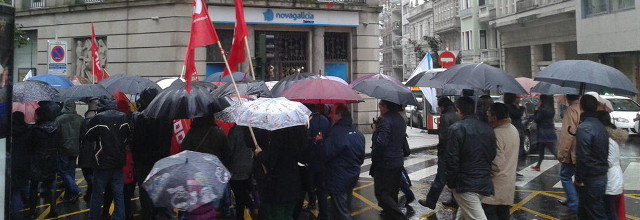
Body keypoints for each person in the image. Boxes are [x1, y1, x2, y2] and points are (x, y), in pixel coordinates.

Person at [444, 97, 496, 220]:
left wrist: (451, 183)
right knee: (463, 214)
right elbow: (492, 154)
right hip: (483, 182)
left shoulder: (456, 129)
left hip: (465, 185)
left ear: (459, 111)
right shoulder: (488, 128)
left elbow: (451, 160)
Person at [315, 104, 365, 220]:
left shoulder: (336, 132)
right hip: (352, 175)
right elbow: (361, 158)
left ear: (339, 115)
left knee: (341, 211)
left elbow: (326, 153)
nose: (331, 115)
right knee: (345, 206)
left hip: (338, 177)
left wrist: (320, 142)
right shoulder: (357, 134)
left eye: (333, 113)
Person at [85, 97, 131, 220]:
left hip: (102, 162)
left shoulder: (98, 118)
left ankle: (94, 217)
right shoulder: (124, 117)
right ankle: (120, 217)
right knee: (118, 193)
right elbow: (129, 135)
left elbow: (88, 136)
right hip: (118, 161)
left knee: (97, 194)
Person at [131, 87, 173, 219]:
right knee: (160, 190)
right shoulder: (166, 117)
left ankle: (149, 214)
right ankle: (162, 214)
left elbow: (136, 143)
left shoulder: (142, 118)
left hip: (145, 162)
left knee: (146, 192)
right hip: (161, 160)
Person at [255, 125, 306, 219]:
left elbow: (271, 162)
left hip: (279, 184)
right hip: (294, 181)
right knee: (289, 214)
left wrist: (260, 154)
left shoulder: (279, 134)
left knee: (277, 214)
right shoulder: (300, 132)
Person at [370, 100, 408, 220]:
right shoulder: (400, 119)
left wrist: (375, 132)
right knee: (392, 193)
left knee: (381, 193)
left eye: (380, 105)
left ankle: (400, 217)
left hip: (385, 163)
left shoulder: (385, 120)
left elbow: (381, 143)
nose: (379, 108)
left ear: (385, 106)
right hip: (397, 161)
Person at [420, 97, 459, 209]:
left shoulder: (445, 116)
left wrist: (440, 151)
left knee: (440, 178)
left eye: (440, 106)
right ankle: (455, 200)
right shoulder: (457, 114)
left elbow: (443, 137)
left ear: (443, 106)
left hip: (446, 152)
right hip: (457, 152)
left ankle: (430, 202)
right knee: (455, 177)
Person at [482, 103, 519, 220]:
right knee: (504, 215)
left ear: (494, 117)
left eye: (488, 114)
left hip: (495, 187)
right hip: (507, 185)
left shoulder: (497, 133)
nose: (487, 117)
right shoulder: (513, 129)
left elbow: (496, 164)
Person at [575, 95, 609, 220]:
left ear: (581, 107)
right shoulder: (599, 125)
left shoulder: (585, 128)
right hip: (600, 175)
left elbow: (582, 157)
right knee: (586, 212)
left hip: (591, 178)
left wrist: (578, 178)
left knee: (596, 214)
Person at [25, 107, 62, 218]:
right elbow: (59, 142)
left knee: (34, 187)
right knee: (51, 186)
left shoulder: (35, 129)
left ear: (40, 116)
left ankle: (32, 211)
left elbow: (29, 145)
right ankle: (53, 209)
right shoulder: (56, 128)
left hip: (37, 160)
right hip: (52, 159)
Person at [299, 104, 331, 219]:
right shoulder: (326, 120)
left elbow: (304, 142)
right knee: (321, 189)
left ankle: (307, 206)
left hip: (310, 160)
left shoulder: (308, 121)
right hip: (322, 159)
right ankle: (323, 214)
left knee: (306, 186)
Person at [595, 111, 627, 220]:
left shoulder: (609, 141)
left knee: (610, 211)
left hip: (611, 181)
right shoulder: (609, 138)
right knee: (610, 210)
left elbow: (608, 162)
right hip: (612, 179)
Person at [54, 99, 84, 203]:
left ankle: (74, 190)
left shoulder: (59, 119)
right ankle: (69, 195)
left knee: (63, 171)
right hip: (75, 148)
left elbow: (55, 134)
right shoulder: (80, 118)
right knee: (71, 172)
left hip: (63, 148)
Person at [226, 125, 258, 220]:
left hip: (235, 168)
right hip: (249, 167)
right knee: (241, 196)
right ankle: (243, 214)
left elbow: (229, 150)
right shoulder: (252, 129)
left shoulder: (235, 131)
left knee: (240, 194)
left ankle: (252, 208)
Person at [557, 94, 581, 214]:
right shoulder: (583, 107)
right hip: (582, 150)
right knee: (577, 177)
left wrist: (563, 153)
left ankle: (573, 202)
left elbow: (568, 135)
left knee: (565, 176)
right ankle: (573, 199)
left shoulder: (571, 110)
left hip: (573, 150)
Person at [10, 112, 30, 219]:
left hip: (11, 162)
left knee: (13, 191)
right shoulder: (28, 130)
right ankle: (18, 212)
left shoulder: (9, 130)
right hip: (24, 162)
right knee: (18, 190)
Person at [532, 95, 558, 171]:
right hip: (550, 130)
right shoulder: (551, 108)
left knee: (553, 150)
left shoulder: (542, 109)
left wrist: (536, 111)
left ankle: (564, 163)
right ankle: (538, 165)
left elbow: (537, 119)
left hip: (543, 132)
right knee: (541, 149)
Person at [79, 110, 97, 203]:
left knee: (88, 175)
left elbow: (81, 137)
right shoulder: (98, 123)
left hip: (85, 152)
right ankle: (91, 193)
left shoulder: (83, 124)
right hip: (95, 152)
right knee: (93, 174)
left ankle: (90, 193)